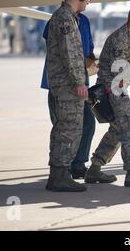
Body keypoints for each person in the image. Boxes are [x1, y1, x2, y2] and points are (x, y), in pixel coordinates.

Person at [84, 4, 130, 187]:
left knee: (118, 130)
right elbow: (124, 70)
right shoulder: (119, 40)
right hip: (112, 90)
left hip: (117, 89)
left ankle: (95, 168)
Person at [45, 0, 92, 192]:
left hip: (65, 84)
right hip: (67, 86)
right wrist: (78, 82)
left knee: (66, 128)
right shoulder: (65, 18)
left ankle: (60, 173)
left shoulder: (68, 18)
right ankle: (59, 175)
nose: (88, 2)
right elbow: (69, 53)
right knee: (68, 129)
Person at [41, 11, 97, 180]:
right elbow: (60, 51)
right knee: (63, 129)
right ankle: (60, 172)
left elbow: (88, 52)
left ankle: (77, 165)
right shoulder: (59, 19)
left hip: (79, 84)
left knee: (87, 124)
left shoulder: (84, 22)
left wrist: (91, 62)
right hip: (61, 85)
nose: (88, 1)